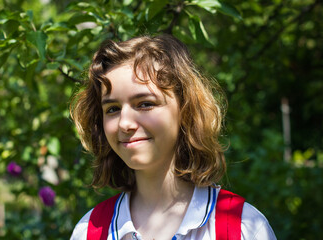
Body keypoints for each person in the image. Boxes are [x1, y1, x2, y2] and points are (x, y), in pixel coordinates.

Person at [70, 34, 276, 240]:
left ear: (185, 110)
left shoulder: (243, 227)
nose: (124, 123)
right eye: (112, 109)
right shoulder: (89, 232)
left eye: (145, 104)